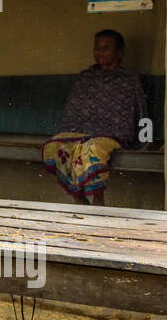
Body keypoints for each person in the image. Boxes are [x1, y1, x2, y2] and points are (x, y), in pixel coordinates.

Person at [43, 29, 148, 206]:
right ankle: (79, 198)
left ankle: (98, 198)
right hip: (79, 132)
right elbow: (74, 110)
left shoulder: (128, 80)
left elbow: (138, 111)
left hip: (112, 134)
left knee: (92, 148)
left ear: (119, 52)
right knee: (55, 146)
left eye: (107, 48)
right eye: (98, 48)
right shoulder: (86, 78)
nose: (100, 52)